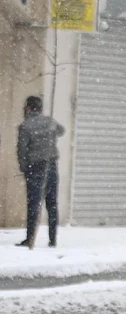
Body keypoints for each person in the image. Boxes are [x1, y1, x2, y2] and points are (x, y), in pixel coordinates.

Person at [16, 96, 64, 249]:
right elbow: (61, 131)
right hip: (51, 165)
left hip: (35, 167)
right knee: (52, 203)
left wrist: (24, 168)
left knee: (34, 203)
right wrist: (48, 133)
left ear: (28, 108)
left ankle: (30, 238)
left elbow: (22, 151)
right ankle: (52, 239)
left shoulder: (25, 126)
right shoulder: (49, 122)